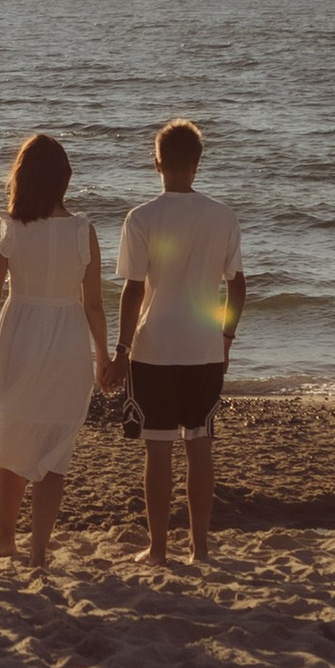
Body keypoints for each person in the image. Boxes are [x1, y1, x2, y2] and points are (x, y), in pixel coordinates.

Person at [0, 132, 115, 569]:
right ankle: (38, 551)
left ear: (20, 178)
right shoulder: (84, 230)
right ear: (65, 179)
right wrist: (105, 357)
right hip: (68, 337)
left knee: (11, 430)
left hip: (20, 332)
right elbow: (94, 304)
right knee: (55, 444)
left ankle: (5, 538)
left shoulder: (9, 227)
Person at [112, 118, 247, 565]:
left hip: (154, 347)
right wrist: (225, 338)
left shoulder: (141, 217)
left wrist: (122, 348)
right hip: (204, 346)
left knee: (158, 449)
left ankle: (158, 548)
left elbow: (133, 290)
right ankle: (201, 548)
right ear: (198, 164)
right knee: (200, 445)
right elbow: (238, 287)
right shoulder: (222, 215)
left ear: (157, 163)